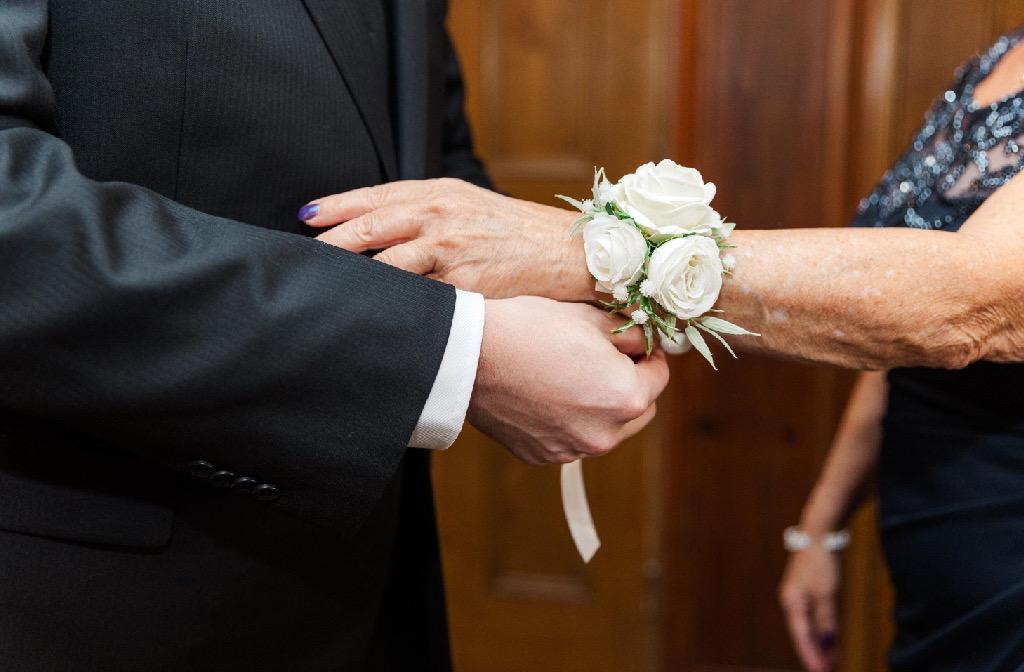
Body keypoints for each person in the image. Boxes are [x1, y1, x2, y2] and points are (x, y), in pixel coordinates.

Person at [307, 26, 1024, 672]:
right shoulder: (995, 62)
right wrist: (820, 530)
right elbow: (906, 351)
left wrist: (577, 251)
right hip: (933, 551)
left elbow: (972, 305)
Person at [0, 1, 667, 670]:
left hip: (367, 590)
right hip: (99, 602)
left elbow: (437, 163)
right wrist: (451, 354)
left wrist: (575, 281)